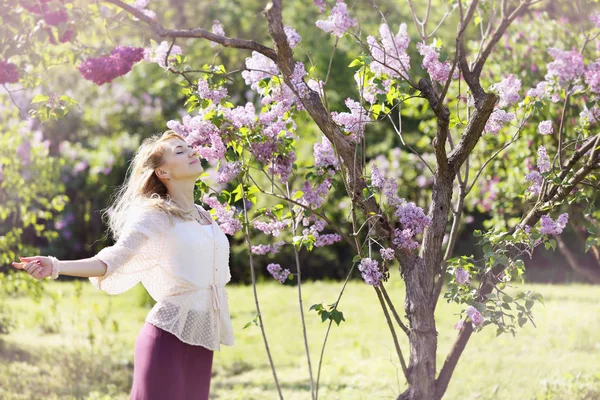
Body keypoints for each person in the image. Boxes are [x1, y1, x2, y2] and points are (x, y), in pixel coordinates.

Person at [11, 130, 235, 400]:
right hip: (167, 340)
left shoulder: (203, 215)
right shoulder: (156, 216)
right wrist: (56, 265)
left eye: (189, 147)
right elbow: (111, 260)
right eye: (180, 151)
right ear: (163, 172)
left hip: (202, 339)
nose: (191, 152)